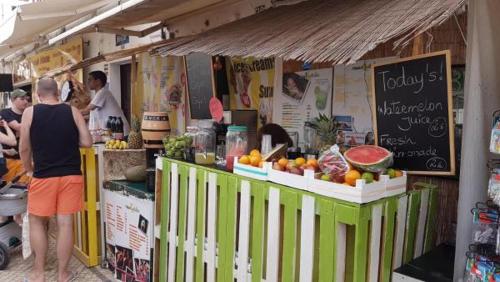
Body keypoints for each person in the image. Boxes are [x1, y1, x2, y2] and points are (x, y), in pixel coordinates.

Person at [20, 77, 92, 282]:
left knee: (36, 222)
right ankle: (63, 274)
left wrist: (28, 170)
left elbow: (24, 147)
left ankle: (39, 273)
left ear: (38, 94)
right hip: (71, 175)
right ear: (58, 93)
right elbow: (87, 142)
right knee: (65, 223)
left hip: (43, 176)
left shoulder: (30, 112)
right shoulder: (73, 111)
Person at [81, 70, 130, 136]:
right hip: (113, 131)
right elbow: (93, 115)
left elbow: (86, 110)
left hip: (120, 131)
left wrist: (70, 113)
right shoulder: (99, 94)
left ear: (98, 81)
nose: (88, 82)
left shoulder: (103, 92)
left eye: (90, 80)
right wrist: (80, 117)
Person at [0, 88, 30, 184]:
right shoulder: (5, 113)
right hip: (10, 160)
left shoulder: (29, 113)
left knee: (25, 190)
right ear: (13, 100)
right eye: (22, 99)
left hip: (26, 159)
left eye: (27, 99)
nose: (25, 101)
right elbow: (18, 127)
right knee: (10, 189)